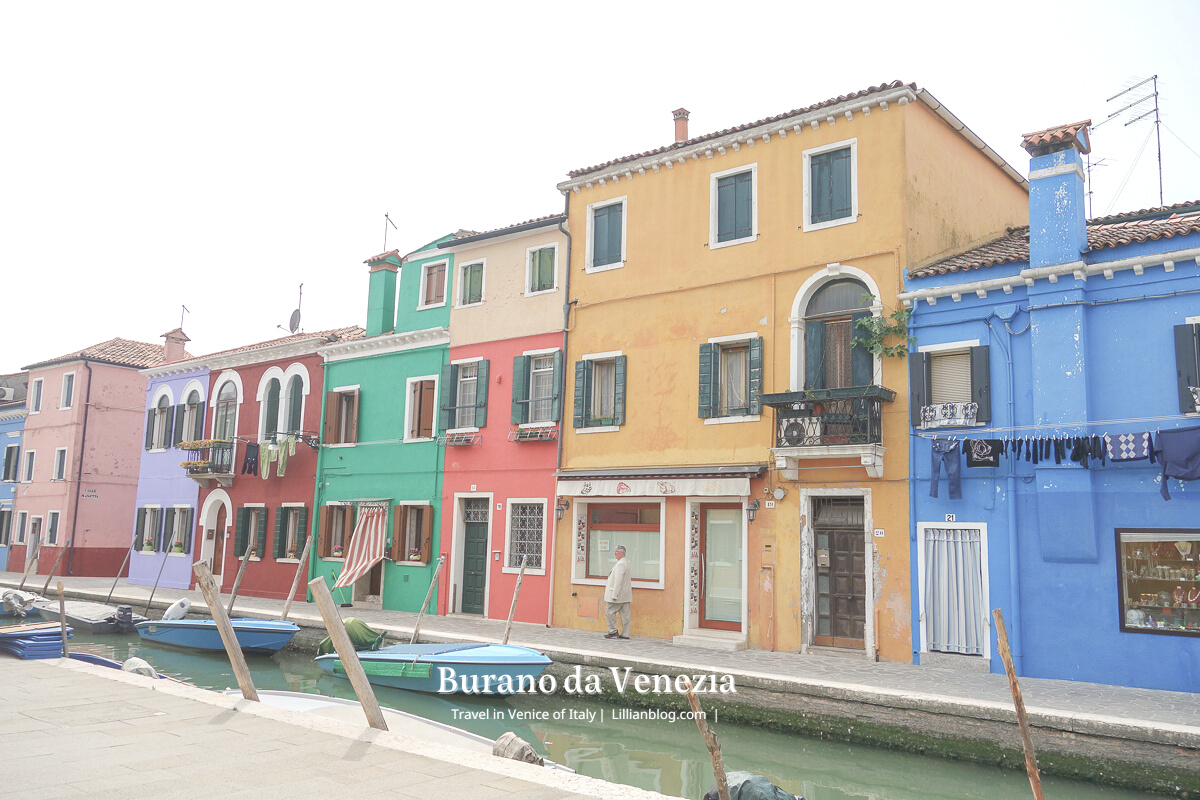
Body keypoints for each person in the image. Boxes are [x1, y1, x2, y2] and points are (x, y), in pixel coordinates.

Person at [604, 545, 632, 639]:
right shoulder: (626, 562)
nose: (614, 553)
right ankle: (625, 634)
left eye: (616, 551)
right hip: (625, 595)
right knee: (625, 615)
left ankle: (612, 632)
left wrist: (614, 594)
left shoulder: (620, 564)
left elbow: (618, 580)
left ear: (622, 553)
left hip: (618, 595)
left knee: (609, 611)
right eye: (614, 551)